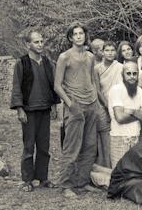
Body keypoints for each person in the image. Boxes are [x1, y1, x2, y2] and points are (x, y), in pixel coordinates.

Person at [10, 29, 60, 192]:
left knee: (44, 146)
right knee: (29, 146)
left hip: (44, 109)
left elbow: (53, 84)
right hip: (29, 111)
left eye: (41, 41)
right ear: (28, 44)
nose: (40, 44)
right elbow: (17, 86)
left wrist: (53, 105)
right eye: (36, 42)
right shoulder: (22, 63)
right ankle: (27, 180)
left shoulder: (47, 62)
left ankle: (43, 177)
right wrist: (19, 109)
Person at [54, 22, 99, 198]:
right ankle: (66, 184)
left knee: (89, 146)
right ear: (71, 37)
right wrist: (70, 104)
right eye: (76, 34)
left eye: (82, 33)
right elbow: (57, 86)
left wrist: (95, 99)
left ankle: (82, 182)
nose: (79, 36)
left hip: (91, 104)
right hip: (74, 105)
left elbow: (92, 80)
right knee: (72, 147)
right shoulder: (64, 57)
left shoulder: (90, 56)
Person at [108, 61, 142, 167]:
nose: (132, 77)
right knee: (118, 174)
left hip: (135, 138)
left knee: (133, 173)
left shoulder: (139, 91)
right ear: (123, 74)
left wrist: (131, 111)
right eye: (128, 73)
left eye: (135, 73)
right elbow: (120, 118)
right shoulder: (116, 90)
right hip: (119, 138)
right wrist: (139, 114)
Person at [93, 41, 124, 168]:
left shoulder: (121, 67)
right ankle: (104, 169)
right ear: (102, 52)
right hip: (102, 106)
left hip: (118, 106)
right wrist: (106, 104)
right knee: (104, 140)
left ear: (116, 52)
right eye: (107, 50)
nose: (110, 53)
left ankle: (116, 168)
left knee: (116, 139)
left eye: (112, 50)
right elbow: (97, 89)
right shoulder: (97, 68)